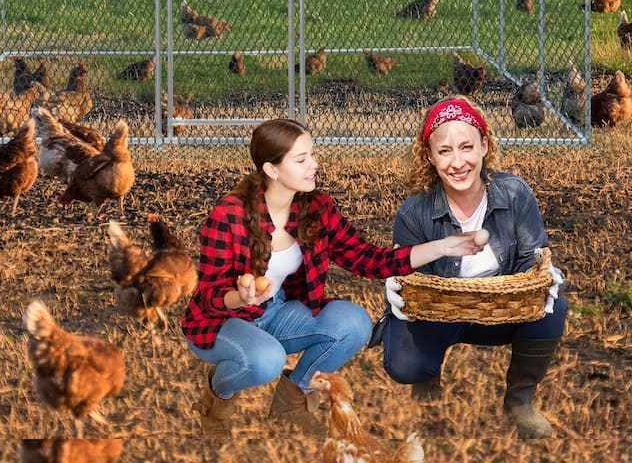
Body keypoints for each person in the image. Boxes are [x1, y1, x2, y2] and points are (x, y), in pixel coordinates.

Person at [181, 117, 484, 438]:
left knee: (354, 323)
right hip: (221, 320)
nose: (314, 164)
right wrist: (239, 297)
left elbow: (367, 259)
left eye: (312, 154)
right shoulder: (229, 215)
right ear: (272, 170)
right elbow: (208, 294)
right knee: (265, 361)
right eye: (302, 160)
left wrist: (441, 246)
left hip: (274, 313)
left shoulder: (316, 206)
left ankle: (291, 402)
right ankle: (217, 398)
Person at [380, 96, 567, 440]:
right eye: (445, 151)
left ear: (484, 145)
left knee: (551, 306)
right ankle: (427, 385)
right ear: (430, 157)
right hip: (440, 316)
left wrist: (541, 276)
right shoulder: (414, 212)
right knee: (404, 363)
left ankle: (520, 402)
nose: (458, 162)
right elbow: (407, 274)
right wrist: (397, 284)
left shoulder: (514, 194)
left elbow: (531, 258)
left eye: (467, 146)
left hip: (502, 312)